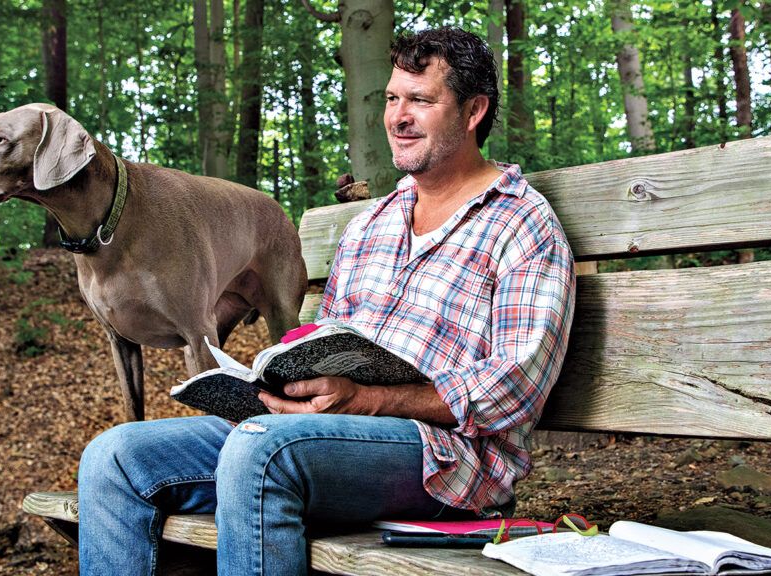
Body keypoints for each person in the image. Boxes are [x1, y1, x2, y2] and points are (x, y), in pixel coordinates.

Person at [77, 27, 576, 576]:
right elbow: (326, 342)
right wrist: (279, 384)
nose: (398, 116)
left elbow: (516, 390)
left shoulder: (522, 224)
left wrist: (369, 400)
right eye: (392, 98)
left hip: (447, 459)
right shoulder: (371, 226)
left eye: (420, 101)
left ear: (474, 110)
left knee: (261, 451)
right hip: (316, 435)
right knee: (114, 457)